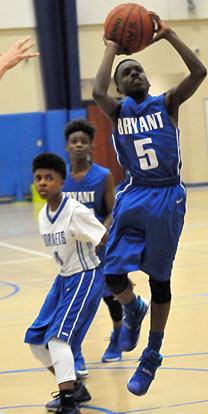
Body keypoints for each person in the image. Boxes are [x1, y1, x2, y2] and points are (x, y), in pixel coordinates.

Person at [92, 11, 207, 396]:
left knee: (160, 281)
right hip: (135, 192)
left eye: (139, 69)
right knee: (111, 273)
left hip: (166, 197)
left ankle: (152, 355)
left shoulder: (167, 103)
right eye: (127, 74)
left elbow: (200, 73)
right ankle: (132, 309)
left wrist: (170, 35)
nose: (135, 74)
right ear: (120, 87)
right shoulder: (117, 110)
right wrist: (112, 48)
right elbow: (96, 93)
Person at [24, 153, 107, 414]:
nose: (42, 183)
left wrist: (118, 274)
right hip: (63, 280)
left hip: (85, 276)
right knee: (37, 340)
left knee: (59, 340)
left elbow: (104, 237)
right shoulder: (42, 215)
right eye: (38, 178)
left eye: (49, 178)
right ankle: (76, 387)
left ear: (62, 181)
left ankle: (69, 402)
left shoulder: (75, 211)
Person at [61, 118, 123, 377]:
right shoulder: (60, 176)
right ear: (66, 146)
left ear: (91, 146)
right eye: (73, 141)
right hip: (72, 251)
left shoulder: (103, 176)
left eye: (83, 142)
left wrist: (103, 231)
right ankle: (76, 354)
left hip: (98, 249)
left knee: (109, 295)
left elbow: (111, 210)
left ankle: (118, 336)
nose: (78, 145)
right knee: (77, 304)